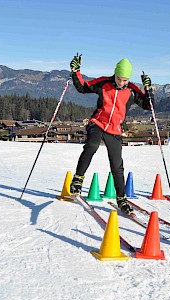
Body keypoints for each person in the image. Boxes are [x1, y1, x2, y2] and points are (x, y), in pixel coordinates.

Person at [69, 54, 153, 215]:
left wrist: (148, 89)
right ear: (115, 74)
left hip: (115, 129)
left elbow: (149, 105)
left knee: (116, 164)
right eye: (119, 78)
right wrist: (75, 71)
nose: (121, 82)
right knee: (91, 145)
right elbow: (82, 87)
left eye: (125, 80)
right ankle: (78, 180)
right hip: (98, 123)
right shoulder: (104, 83)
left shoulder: (132, 90)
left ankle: (121, 199)